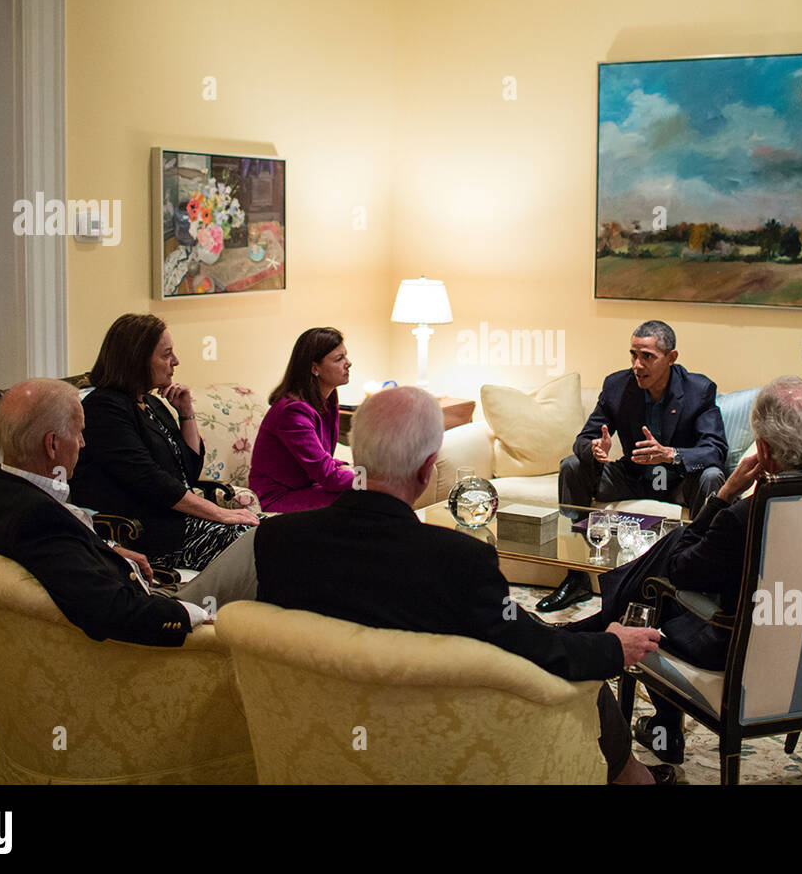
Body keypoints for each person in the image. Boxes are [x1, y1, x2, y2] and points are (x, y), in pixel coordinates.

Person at [255, 386, 673, 784]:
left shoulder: (277, 539)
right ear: (425, 470)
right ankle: (634, 778)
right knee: (593, 686)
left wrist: (588, 631)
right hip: (434, 746)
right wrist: (613, 647)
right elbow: (532, 652)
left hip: (315, 740)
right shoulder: (459, 559)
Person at [566, 376, 802, 763]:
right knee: (666, 563)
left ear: (762, 448)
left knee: (657, 589)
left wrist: (723, 497)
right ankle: (599, 623)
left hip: (739, 651)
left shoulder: (745, 515)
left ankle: (610, 642)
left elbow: (682, 572)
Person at [0, 379, 257, 647]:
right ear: (52, 444)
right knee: (261, 544)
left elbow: (67, 554)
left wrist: (109, 549)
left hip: (138, 585)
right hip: (152, 611)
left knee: (267, 545)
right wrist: (192, 615)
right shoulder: (38, 517)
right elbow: (107, 610)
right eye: (79, 432)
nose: (83, 443)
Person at [541, 319, 729, 612]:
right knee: (572, 465)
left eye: (647, 357)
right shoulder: (618, 385)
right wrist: (593, 448)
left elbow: (715, 450)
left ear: (671, 357)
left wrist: (670, 454)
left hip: (678, 481)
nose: (637, 365)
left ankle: (697, 583)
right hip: (633, 476)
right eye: (633, 354)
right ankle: (576, 577)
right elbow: (583, 439)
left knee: (713, 476)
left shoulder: (698, 389)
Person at [70, 314, 259, 572]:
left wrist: (186, 413)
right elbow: (150, 480)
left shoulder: (152, 404)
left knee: (277, 533)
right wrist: (219, 513)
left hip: (182, 522)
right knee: (257, 544)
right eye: (166, 354)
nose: (175, 361)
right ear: (137, 359)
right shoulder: (104, 409)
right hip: (151, 534)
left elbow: (190, 472)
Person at [248, 327, 356, 512]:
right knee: (363, 499)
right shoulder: (293, 412)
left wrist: (348, 468)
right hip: (278, 497)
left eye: (345, 356)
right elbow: (328, 476)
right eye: (339, 359)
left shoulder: (327, 399)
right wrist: (372, 480)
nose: (349, 363)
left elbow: (323, 459)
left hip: (307, 487)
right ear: (315, 368)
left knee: (367, 496)